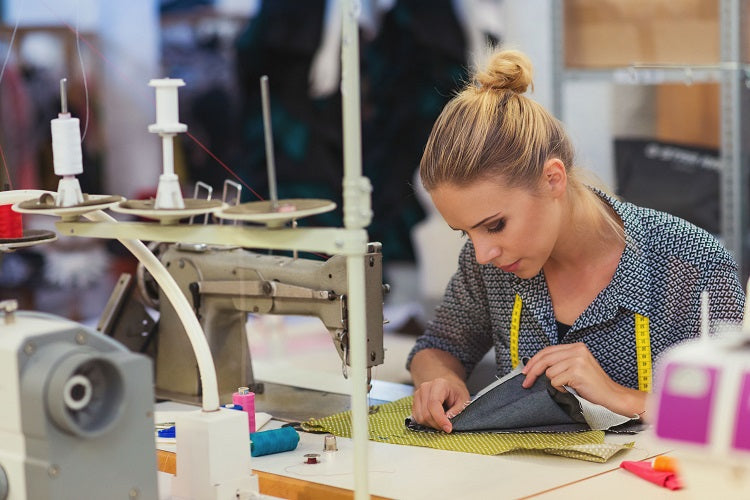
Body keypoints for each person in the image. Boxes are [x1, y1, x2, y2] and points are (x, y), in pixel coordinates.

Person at [407, 48, 746, 433]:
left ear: (553, 178)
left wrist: (619, 396)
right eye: (466, 233)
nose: (482, 253)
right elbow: (439, 346)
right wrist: (439, 380)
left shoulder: (692, 263)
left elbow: (734, 413)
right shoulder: (491, 264)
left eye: (495, 225)